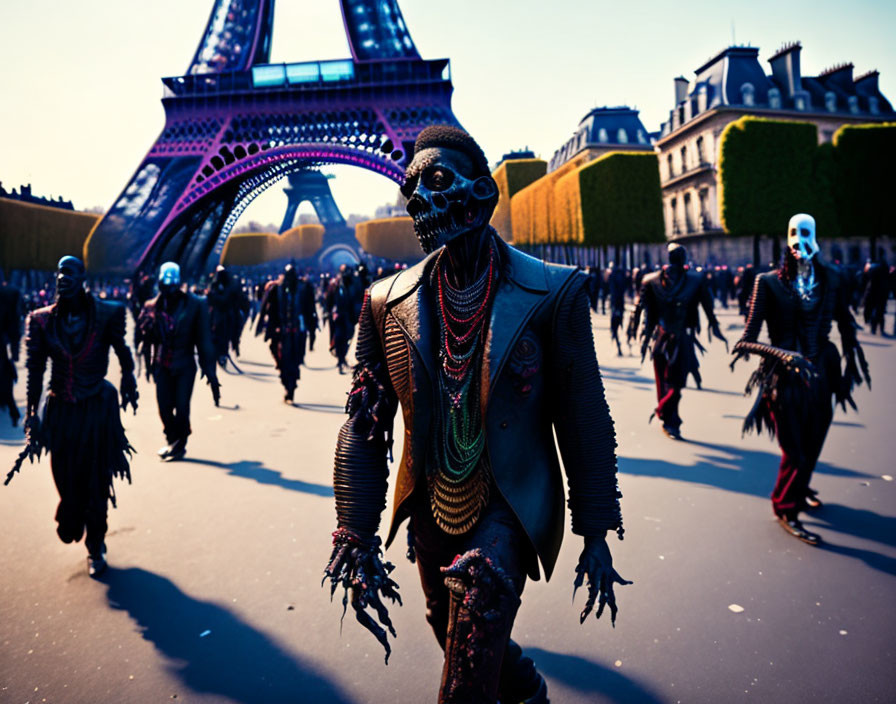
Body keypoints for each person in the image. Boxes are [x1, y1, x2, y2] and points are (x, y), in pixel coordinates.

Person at [323, 126, 628, 704]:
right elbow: (363, 425)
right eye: (411, 187)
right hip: (433, 504)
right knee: (455, 634)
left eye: (436, 181)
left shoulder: (554, 293)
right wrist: (355, 532)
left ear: (483, 194)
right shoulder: (384, 302)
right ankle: (527, 692)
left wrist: (595, 529)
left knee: (472, 637)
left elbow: (584, 419)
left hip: (509, 504)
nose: (418, 198)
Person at [732, 214, 870, 544]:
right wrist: (783, 355)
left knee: (813, 443)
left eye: (806, 233)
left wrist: (852, 362)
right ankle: (785, 507)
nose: (800, 240)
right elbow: (745, 341)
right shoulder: (767, 282)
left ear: (815, 237)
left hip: (823, 373)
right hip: (783, 379)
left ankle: (800, 485)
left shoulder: (832, 277)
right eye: (794, 233)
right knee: (794, 449)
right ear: (787, 237)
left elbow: (845, 323)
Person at [7, 256, 139, 577]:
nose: (62, 278)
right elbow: (35, 371)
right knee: (65, 480)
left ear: (82, 278)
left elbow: (122, 349)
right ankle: (72, 511)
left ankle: (96, 545)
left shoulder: (108, 313)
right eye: (59, 272)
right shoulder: (40, 320)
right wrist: (32, 415)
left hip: (97, 410)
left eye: (70, 272)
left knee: (96, 482)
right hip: (61, 412)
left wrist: (128, 379)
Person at [627, 243, 727, 440]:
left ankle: (664, 412)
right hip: (661, 337)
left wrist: (714, 325)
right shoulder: (652, 281)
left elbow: (707, 305)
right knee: (662, 381)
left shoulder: (695, 280)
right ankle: (670, 421)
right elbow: (642, 307)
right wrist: (638, 328)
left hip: (682, 338)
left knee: (677, 384)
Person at [138, 262, 220, 461]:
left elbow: (204, 340)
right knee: (164, 408)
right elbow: (145, 337)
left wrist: (211, 372)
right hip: (162, 364)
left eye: (172, 287)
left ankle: (179, 443)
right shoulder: (152, 306)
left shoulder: (196, 304)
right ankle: (173, 439)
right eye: (165, 288)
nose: (169, 292)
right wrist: (146, 329)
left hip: (184, 365)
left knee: (182, 408)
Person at [256, 264, 308, 403]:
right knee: (281, 359)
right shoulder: (276, 290)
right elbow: (268, 308)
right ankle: (287, 383)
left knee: (295, 361)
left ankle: (291, 388)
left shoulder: (301, 290)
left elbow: (308, 309)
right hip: (281, 333)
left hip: (296, 333)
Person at [326, 267, 362, 373]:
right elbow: (329, 301)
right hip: (338, 318)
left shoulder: (353, 285)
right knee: (338, 338)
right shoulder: (335, 285)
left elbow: (356, 301)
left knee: (348, 339)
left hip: (349, 317)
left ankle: (344, 359)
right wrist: (331, 312)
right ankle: (340, 360)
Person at [0, 272, 23, 425]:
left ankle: (11, 406)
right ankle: (12, 407)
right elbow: (14, 324)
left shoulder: (9, 295)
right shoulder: (10, 294)